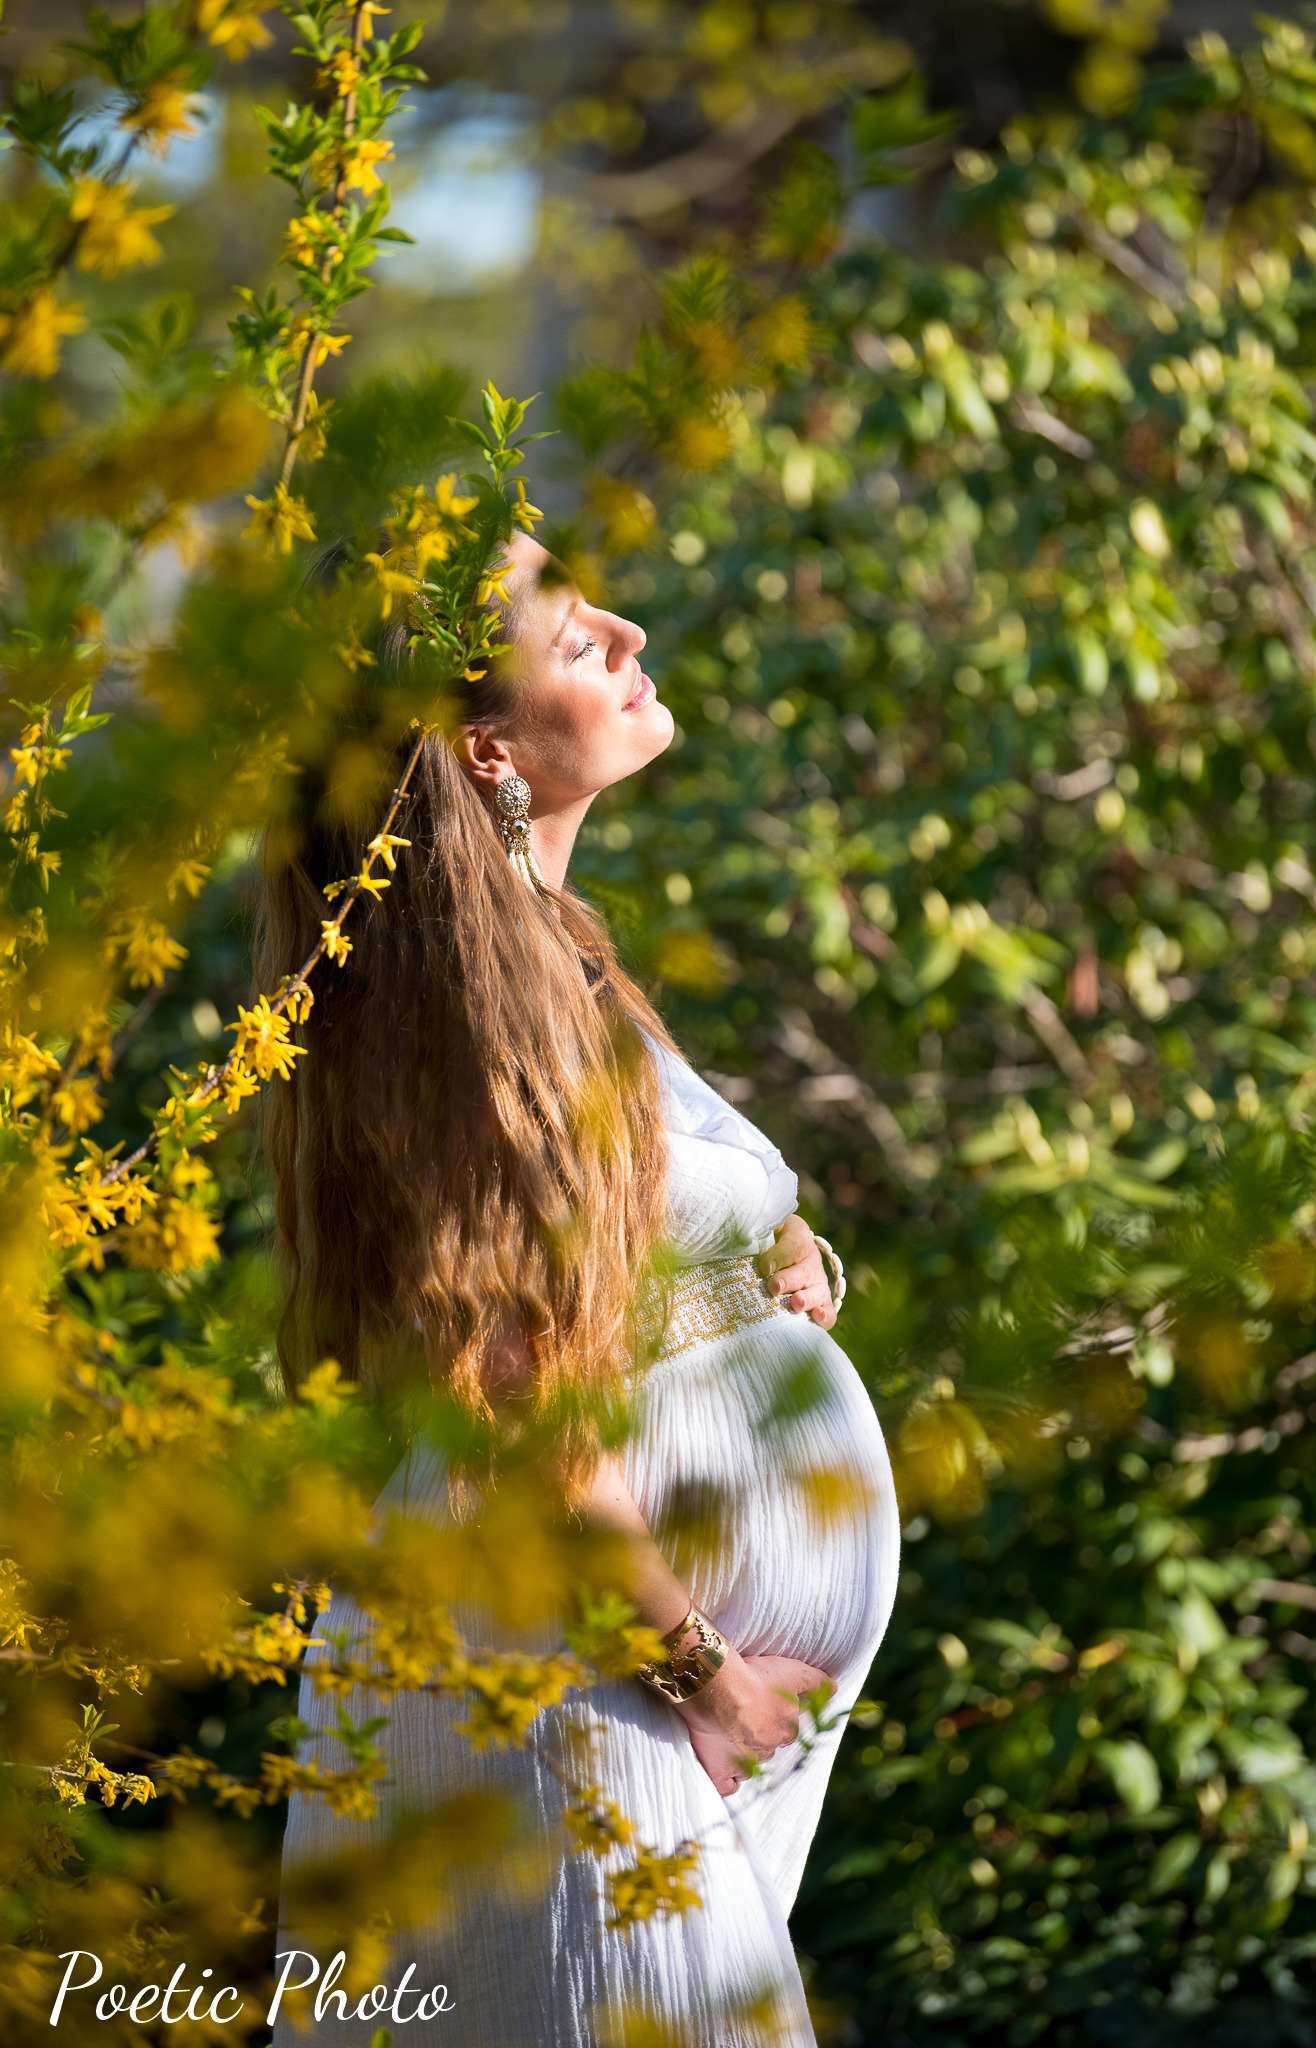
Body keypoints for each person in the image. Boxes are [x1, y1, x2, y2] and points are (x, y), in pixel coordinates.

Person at [263, 532, 900, 2047]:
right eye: (570, 635)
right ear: (488, 749)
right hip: (582, 1671)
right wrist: (705, 1675)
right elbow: (517, 1413)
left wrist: (764, 1268)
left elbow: (615, 1252)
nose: (619, 627)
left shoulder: (565, 958)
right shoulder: (457, 1028)